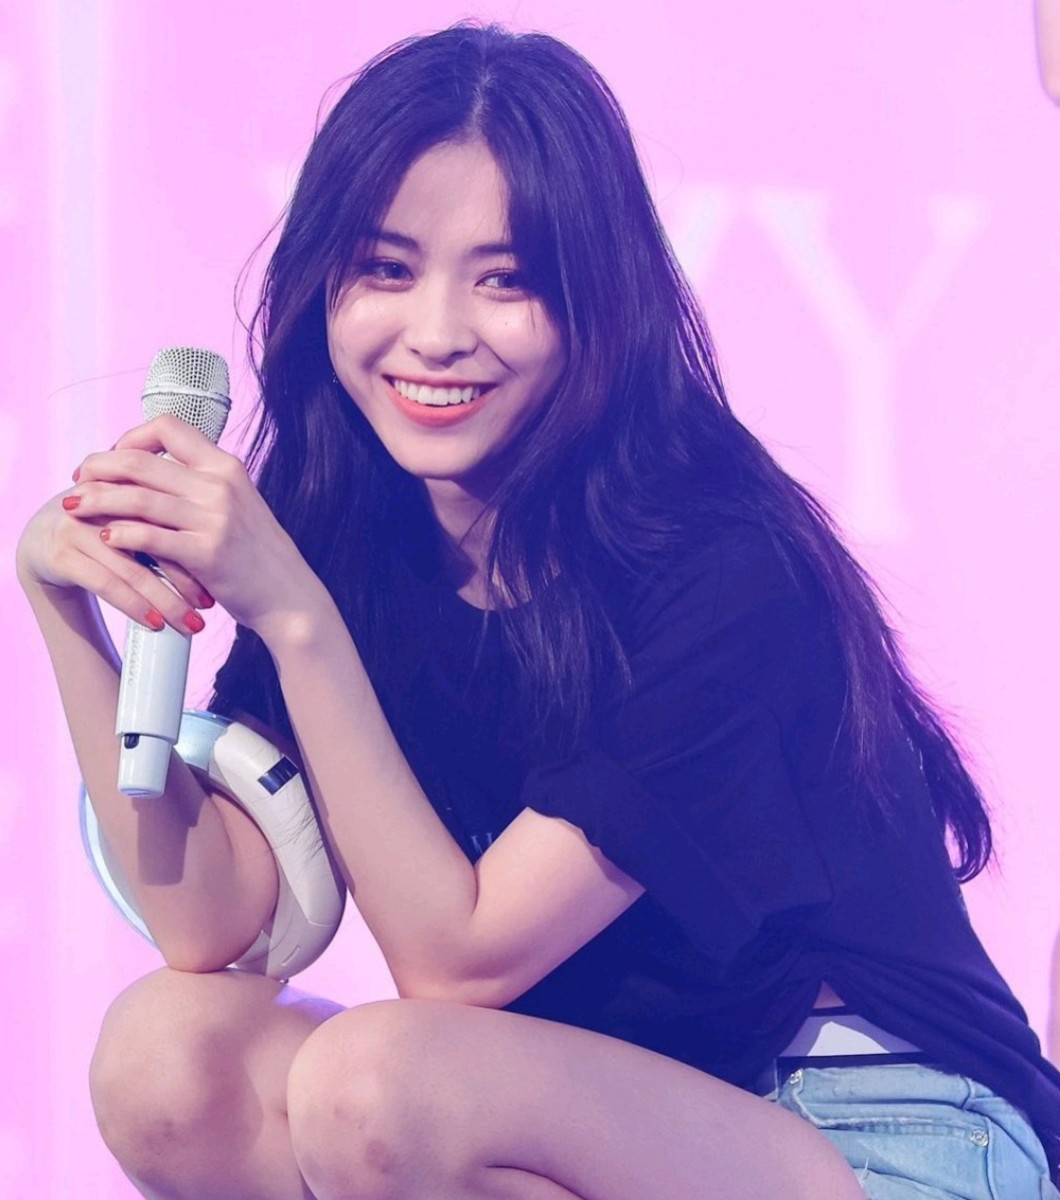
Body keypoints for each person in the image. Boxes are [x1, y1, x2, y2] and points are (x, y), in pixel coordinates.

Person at [16, 21, 1060, 1200]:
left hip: (887, 1131)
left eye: (505, 279)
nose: (435, 334)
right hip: (617, 1113)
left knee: (377, 1081)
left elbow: (461, 966)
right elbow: (210, 925)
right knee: (169, 1061)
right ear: (321, 286)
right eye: (386, 269)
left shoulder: (724, 565)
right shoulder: (354, 534)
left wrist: (294, 612)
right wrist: (69, 611)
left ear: (596, 302)